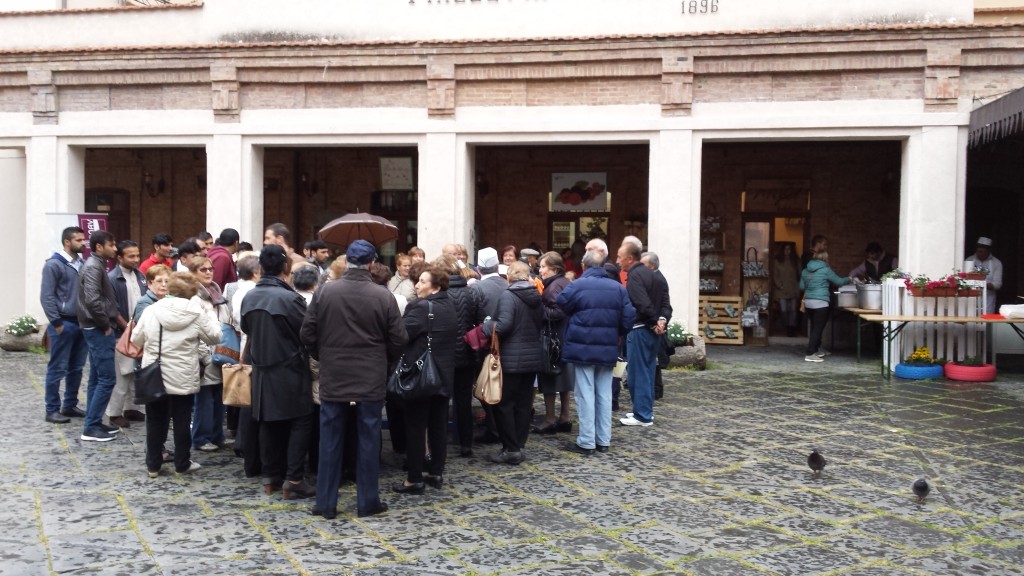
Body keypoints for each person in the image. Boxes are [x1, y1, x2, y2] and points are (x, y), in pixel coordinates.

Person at [300, 239, 407, 520]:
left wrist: (324, 356)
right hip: (370, 375)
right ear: (371, 264)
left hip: (334, 374)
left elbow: (307, 333)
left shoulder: (325, 291)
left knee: (330, 439)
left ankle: (326, 503)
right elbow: (399, 339)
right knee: (369, 440)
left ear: (347, 261)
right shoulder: (383, 296)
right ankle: (367, 502)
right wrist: (383, 361)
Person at [241, 245, 317, 500]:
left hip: (262, 368)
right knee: (301, 420)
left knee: (268, 421)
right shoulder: (289, 298)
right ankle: (294, 479)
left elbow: (246, 328)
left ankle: (270, 476)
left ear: (261, 267)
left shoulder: (250, 297)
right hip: (289, 367)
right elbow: (308, 332)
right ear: (285, 267)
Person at [132, 272, 221, 477]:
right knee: (182, 420)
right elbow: (214, 337)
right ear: (192, 292)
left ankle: (153, 465)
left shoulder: (152, 310)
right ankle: (182, 463)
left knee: (155, 420)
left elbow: (136, 339)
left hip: (155, 374)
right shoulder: (196, 313)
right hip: (183, 373)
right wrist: (211, 317)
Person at [556, 249, 635, 454]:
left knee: (585, 394)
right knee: (604, 393)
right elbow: (629, 316)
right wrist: (618, 333)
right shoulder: (618, 288)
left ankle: (586, 441)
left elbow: (561, 302)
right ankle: (603, 439)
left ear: (584, 266)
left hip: (581, 347)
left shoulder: (578, 285)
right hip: (607, 346)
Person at [393, 265, 458, 495]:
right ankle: (436, 473)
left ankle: (414, 479)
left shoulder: (420, 307)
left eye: (422, 281)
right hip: (443, 374)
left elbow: (401, 335)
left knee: (415, 427)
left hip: (421, 375)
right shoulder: (450, 305)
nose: (417, 285)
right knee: (438, 425)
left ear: (436, 287)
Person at [483, 261, 544, 464]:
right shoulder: (536, 295)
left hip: (512, 358)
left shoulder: (508, 296)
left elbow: (503, 326)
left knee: (504, 404)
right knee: (524, 404)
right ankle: (519, 444)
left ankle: (511, 448)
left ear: (509, 276)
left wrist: (487, 325)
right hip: (532, 357)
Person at [77, 230, 123, 442]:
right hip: (97, 327)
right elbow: (92, 300)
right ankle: (91, 427)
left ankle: (93, 421)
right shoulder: (94, 267)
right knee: (107, 378)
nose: (115, 248)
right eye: (111, 245)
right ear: (98, 247)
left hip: (95, 326)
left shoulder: (96, 264)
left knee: (97, 377)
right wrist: (104, 324)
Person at [433, 255, 481, 458]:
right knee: (463, 399)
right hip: (467, 351)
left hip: (443, 353)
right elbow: (479, 321)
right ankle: (465, 443)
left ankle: (440, 443)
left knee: (442, 399)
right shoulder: (471, 293)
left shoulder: (439, 295)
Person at [616, 241, 668, 428]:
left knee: (638, 374)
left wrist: (653, 322)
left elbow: (641, 303)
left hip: (640, 330)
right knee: (647, 371)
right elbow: (663, 302)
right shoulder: (653, 274)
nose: (618, 261)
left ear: (630, 258)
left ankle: (643, 415)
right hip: (651, 331)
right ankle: (644, 409)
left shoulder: (635, 275)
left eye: (620, 257)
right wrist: (659, 321)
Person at [41, 226, 88, 424]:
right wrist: (56, 322)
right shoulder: (54, 264)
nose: (83, 243)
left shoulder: (82, 263)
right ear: (67, 242)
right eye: (78, 240)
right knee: (57, 368)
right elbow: (47, 296)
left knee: (76, 367)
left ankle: (70, 405)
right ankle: (51, 409)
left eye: (83, 240)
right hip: (63, 323)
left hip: (81, 323)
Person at [187, 256, 233, 452]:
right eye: (203, 269)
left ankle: (217, 435)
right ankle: (201, 437)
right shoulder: (193, 298)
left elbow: (227, 323)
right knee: (205, 399)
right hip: (205, 356)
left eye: (210, 269)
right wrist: (204, 357)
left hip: (222, 353)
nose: (208, 272)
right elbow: (194, 329)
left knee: (220, 398)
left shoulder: (218, 294)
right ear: (193, 273)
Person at [106, 240, 148, 428]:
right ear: (119, 257)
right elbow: (113, 310)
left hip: (139, 331)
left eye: (137, 255)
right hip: (122, 333)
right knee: (122, 375)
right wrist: (128, 329)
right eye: (131, 256)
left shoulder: (140, 276)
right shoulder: (112, 278)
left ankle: (132, 408)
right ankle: (114, 413)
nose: (136, 259)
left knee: (135, 372)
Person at [534, 251, 574, 435]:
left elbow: (557, 312)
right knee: (564, 379)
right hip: (565, 338)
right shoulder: (565, 283)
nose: (540, 270)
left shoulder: (552, 287)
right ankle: (565, 417)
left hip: (552, 340)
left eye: (543, 267)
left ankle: (550, 419)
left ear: (555, 269)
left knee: (549, 379)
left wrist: (538, 307)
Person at [470, 247, 506, 445]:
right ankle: (501, 427)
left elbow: (472, 316)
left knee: (485, 386)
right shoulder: (506, 284)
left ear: (478, 268)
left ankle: (494, 427)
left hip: (484, 344)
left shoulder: (477, 288)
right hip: (506, 343)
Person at [800, 251, 850, 363]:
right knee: (817, 329)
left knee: (814, 327)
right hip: (821, 303)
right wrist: (849, 278)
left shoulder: (805, 270)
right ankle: (810, 353)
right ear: (825, 259)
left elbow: (802, 286)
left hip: (808, 302)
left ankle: (816, 349)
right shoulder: (826, 270)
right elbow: (839, 281)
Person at [640, 251, 674, 401]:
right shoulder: (651, 278)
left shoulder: (658, 280)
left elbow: (665, 304)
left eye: (643, 264)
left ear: (652, 265)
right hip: (653, 324)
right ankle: (655, 390)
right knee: (653, 360)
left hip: (653, 326)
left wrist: (660, 320)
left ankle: (655, 390)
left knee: (654, 360)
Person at [965, 236, 1003, 314]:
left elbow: (997, 284)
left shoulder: (996, 263)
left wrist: (982, 284)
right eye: (978, 252)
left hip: (988, 298)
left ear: (989, 251)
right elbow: (964, 278)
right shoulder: (969, 260)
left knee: (987, 318)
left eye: (983, 252)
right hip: (971, 297)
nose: (980, 254)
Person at [773, 242, 802, 337]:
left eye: (789, 249)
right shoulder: (777, 261)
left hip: (793, 288)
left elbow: (800, 274)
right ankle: (787, 326)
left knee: (793, 310)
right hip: (781, 289)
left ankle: (791, 328)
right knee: (783, 309)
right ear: (782, 250)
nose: (787, 251)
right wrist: (779, 285)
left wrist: (799, 286)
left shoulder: (796, 261)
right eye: (785, 249)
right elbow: (775, 275)